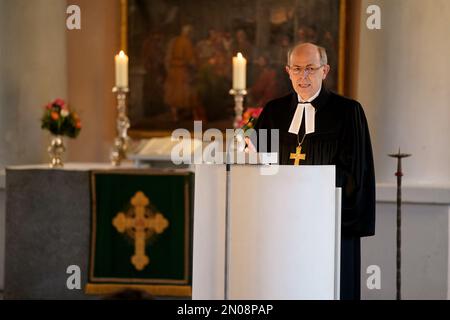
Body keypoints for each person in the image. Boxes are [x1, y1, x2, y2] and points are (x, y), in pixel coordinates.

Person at [253, 43, 376, 300]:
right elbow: (255, 167)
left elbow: (356, 174)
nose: (303, 76)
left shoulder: (348, 112)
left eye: (310, 68)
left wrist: (309, 189)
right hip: (282, 227)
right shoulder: (273, 112)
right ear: (288, 71)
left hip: (329, 226)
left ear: (325, 70)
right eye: (297, 69)